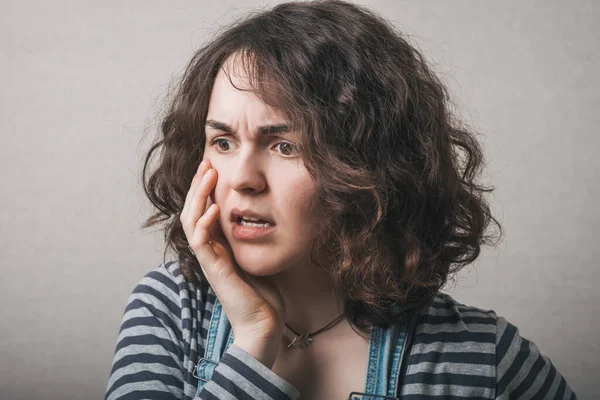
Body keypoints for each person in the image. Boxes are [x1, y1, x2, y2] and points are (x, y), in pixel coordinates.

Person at [105, 1, 578, 399]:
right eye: (223, 142)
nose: (242, 179)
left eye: (285, 145)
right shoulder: (169, 311)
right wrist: (253, 342)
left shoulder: (481, 355)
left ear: (369, 165)